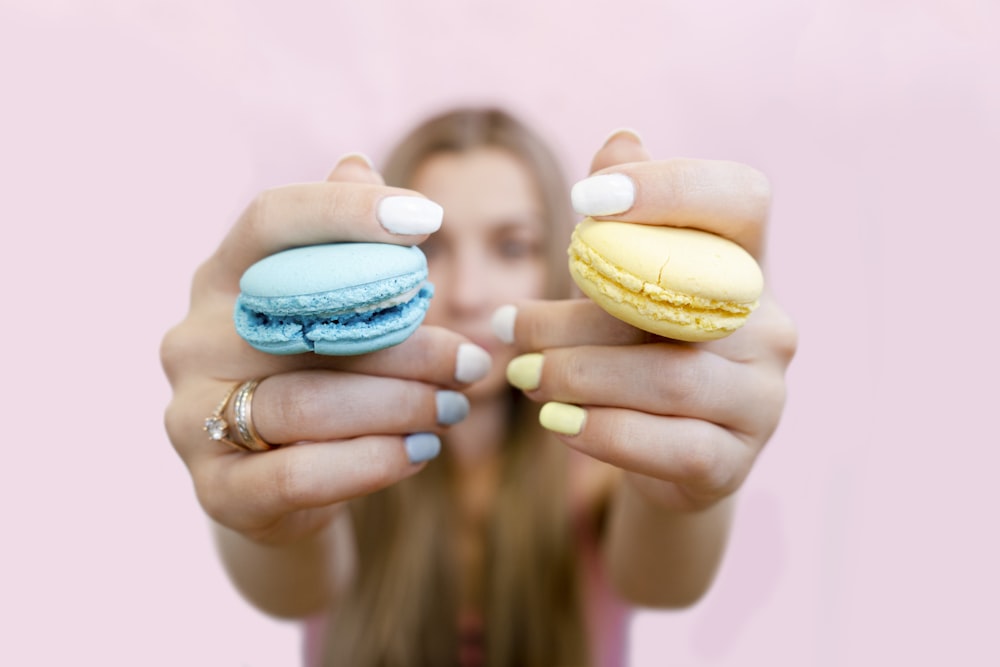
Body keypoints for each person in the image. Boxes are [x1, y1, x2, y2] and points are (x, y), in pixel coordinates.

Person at [160, 107, 797, 667]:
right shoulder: (325, 450)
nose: (467, 294)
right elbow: (290, 589)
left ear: (558, 259)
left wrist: (686, 489)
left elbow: (666, 585)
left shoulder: (607, 455)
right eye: (431, 249)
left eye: (511, 246)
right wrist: (267, 508)